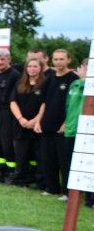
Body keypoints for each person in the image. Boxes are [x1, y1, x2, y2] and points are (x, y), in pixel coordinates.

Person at [37, 49, 79, 196]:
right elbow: (44, 102)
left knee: (64, 161)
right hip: (47, 124)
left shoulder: (73, 79)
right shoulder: (50, 78)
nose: (58, 62)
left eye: (61, 59)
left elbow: (74, 105)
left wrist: (66, 123)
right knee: (48, 159)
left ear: (69, 60)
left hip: (64, 127)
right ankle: (51, 187)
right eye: (56, 59)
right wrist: (38, 121)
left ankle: (67, 192)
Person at [9, 56, 46, 187]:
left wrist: (36, 120)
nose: (32, 69)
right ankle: (22, 179)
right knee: (21, 154)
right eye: (29, 66)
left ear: (41, 68)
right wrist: (21, 119)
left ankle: (40, 180)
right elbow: (13, 102)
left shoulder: (45, 83)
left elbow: (45, 103)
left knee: (39, 154)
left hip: (38, 125)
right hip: (20, 124)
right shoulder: (20, 83)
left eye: (35, 66)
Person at [0, 48, 20, 183]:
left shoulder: (14, 75)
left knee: (7, 144)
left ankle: (11, 173)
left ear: (9, 60)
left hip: (7, 112)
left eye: (2, 59)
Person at [63, 58, 92, 207]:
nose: (86, 71)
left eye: (89, 68)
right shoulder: (74, 84)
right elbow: (69, 106)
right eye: (85, 68)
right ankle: (70, 194)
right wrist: (66, 123)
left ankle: (89, 198)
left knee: (87, 165)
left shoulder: (87, 86)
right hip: (71, 129)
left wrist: (85, 81)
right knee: (70, 162)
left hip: (87, 131)